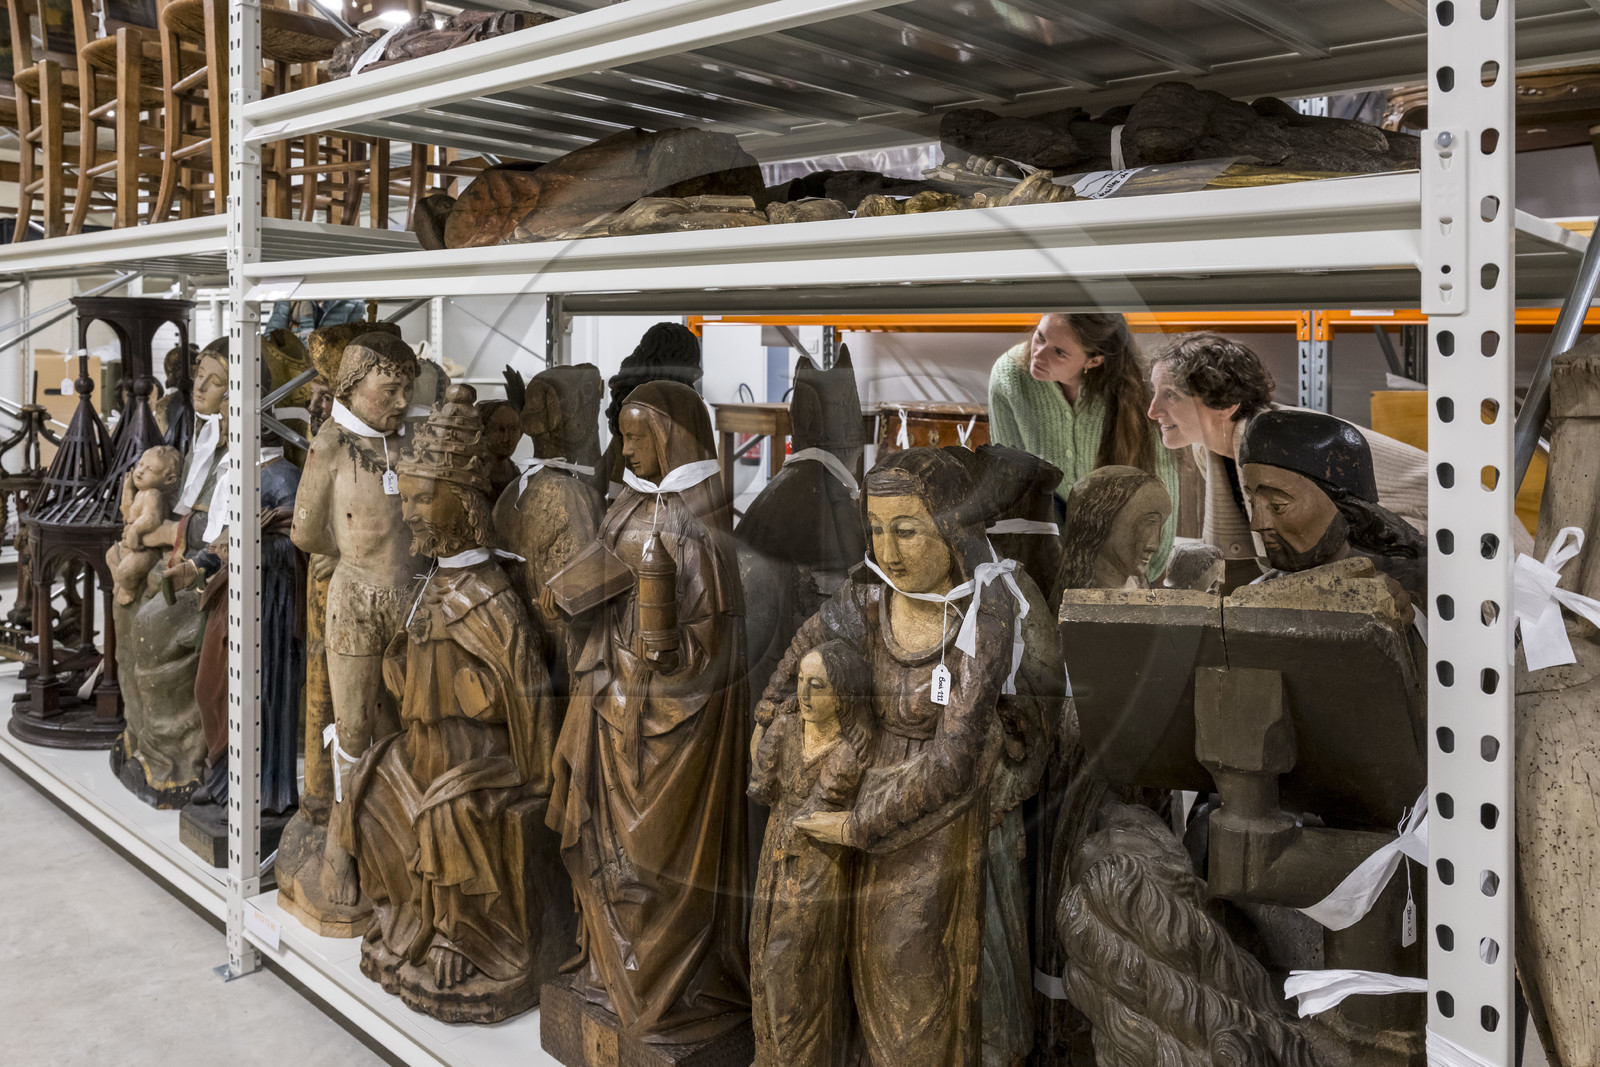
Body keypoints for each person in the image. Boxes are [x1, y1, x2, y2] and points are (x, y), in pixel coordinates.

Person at [546, 380, 751, 1044]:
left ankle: (667, 982)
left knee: (658, 853)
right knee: (606, 848)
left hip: (673, 725)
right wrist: (573, 601)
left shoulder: (703, 516)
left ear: (670, 437)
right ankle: (609, 971)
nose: (625, 449)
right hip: (611, 703)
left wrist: (667, 653)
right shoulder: (629, 502)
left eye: (637, 437)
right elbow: (599, 575)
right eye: (623, 436)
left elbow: (713, 640)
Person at [1147, 332, 1427, 587]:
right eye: (1155, 392)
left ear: (1225, 403)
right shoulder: (1209, 448)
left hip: (1432, 535)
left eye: (1171, 395)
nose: (1153, 410)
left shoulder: (1281, 444)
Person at [749, 640, 873, 1067]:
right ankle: (768, 1057)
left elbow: (819, 811)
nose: (803, 693)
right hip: (774, 854)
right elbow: (762, 786)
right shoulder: (787, 730)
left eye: (817, 685)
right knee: (760, 952)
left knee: (792, 972)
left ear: (843, 696)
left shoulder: (848, 751)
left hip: (819, 865)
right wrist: (767, 728)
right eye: (801, 681)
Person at [988, 313, 1179, 579]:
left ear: (1094, 360)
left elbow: (1159, 493)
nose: (1038, 354)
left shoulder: (1138, 390)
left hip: (1123, 547)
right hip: (1049, 543)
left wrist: (1140, 573)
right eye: (1040, 337)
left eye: (1059, 352)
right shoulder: (1009, 376)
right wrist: (1053, 570)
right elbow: (1015, 486)